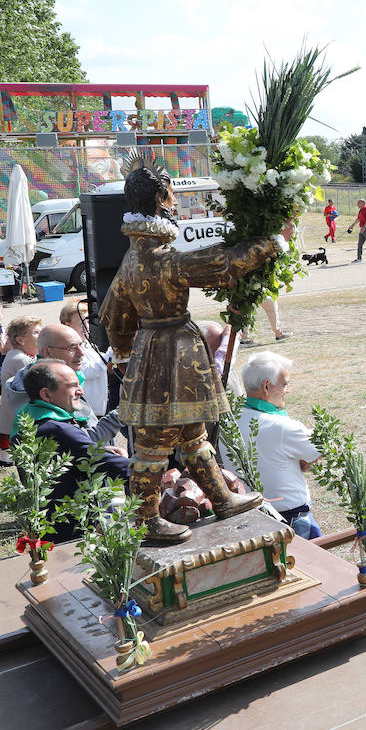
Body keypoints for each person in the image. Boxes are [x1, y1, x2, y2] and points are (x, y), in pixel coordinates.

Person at [99, 162, 287, 544]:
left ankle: (221, 498)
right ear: (159, 199)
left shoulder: (131, 257)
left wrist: (122, 353)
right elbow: (220, 263)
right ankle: (144, 518)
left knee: (193, 434)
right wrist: (269, 243)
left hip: (153, 351)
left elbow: (111, 313)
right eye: (169, 192)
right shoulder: (158, 256)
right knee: (153, 442)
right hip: (173, 353)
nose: (173, 200)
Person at [13, 360, 129, 543]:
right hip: (75, 534)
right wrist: (154, 471)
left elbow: (73, 454)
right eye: (72, 386)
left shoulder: (30, 418)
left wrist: (97, 450)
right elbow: (98, 459)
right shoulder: (56, 429)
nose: (81, 391)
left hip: (50, 527)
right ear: (46, 394)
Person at [239, 351, 324, 540]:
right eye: (285, 384)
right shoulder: (282, 426)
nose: (288, 390)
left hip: (249, 521)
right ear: (267, 386)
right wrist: (310, 459)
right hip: (291, 522)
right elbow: (321, 447)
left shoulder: (231, 421)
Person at [0, 315, 42, 463]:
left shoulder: (21, 356)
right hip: (18, 418)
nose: (40, 335)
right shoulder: (21, 359)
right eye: (36, 332)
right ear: (20, 340)